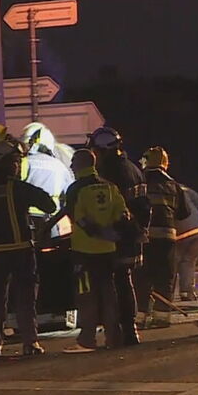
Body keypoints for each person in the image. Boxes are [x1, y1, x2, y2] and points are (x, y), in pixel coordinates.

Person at [0, 139, 56, 359]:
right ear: (7, 163)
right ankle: (30, 342)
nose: (18, 166)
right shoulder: (17, 188)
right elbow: (49, 204)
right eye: (15, 161)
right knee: (26, 297)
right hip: (21, 251)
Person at [86, 126, 150, 346]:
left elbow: (112, 208)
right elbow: (144, 206)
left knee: (112, 284)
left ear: (103, 150)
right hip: (132, 236)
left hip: (115, 237)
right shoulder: (134, 169)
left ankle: (116, 332)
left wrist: (106, 231)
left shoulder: (110, 175)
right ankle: (129, 330)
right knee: (125, 281)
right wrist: (140, 230)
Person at [62, 149, 128, 353]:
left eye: (74, 162)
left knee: (86, 294)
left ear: (81, 164)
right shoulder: (109, 186)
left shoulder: (75, 189)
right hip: (108, 250)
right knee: (109, 293)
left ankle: (87, 339)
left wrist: (95, 232)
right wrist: (110, 234)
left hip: (84, 251)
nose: (71, 166)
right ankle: (113, 337)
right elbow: (123, 215)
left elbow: (76, 218)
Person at [134, 147, 189, 329]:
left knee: (142, 277)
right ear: (165, 163)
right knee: (165, 276)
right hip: (167, 238)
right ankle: (162, 317)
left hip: (143, 238)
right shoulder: (173, 185)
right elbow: (183, 213)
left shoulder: (139, 182)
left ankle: (140, 317)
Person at [19, 122, 75, 235]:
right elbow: (70, 196)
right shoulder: (60, 166)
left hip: (27, 220)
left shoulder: (23, 163)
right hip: (52, 221)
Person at [174, 183, 198, 307]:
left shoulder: (162, 189)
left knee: (173, 263)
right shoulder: (186, 189)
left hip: (179, 231)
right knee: (189, 262)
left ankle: (167, 295)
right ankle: (187, 292)